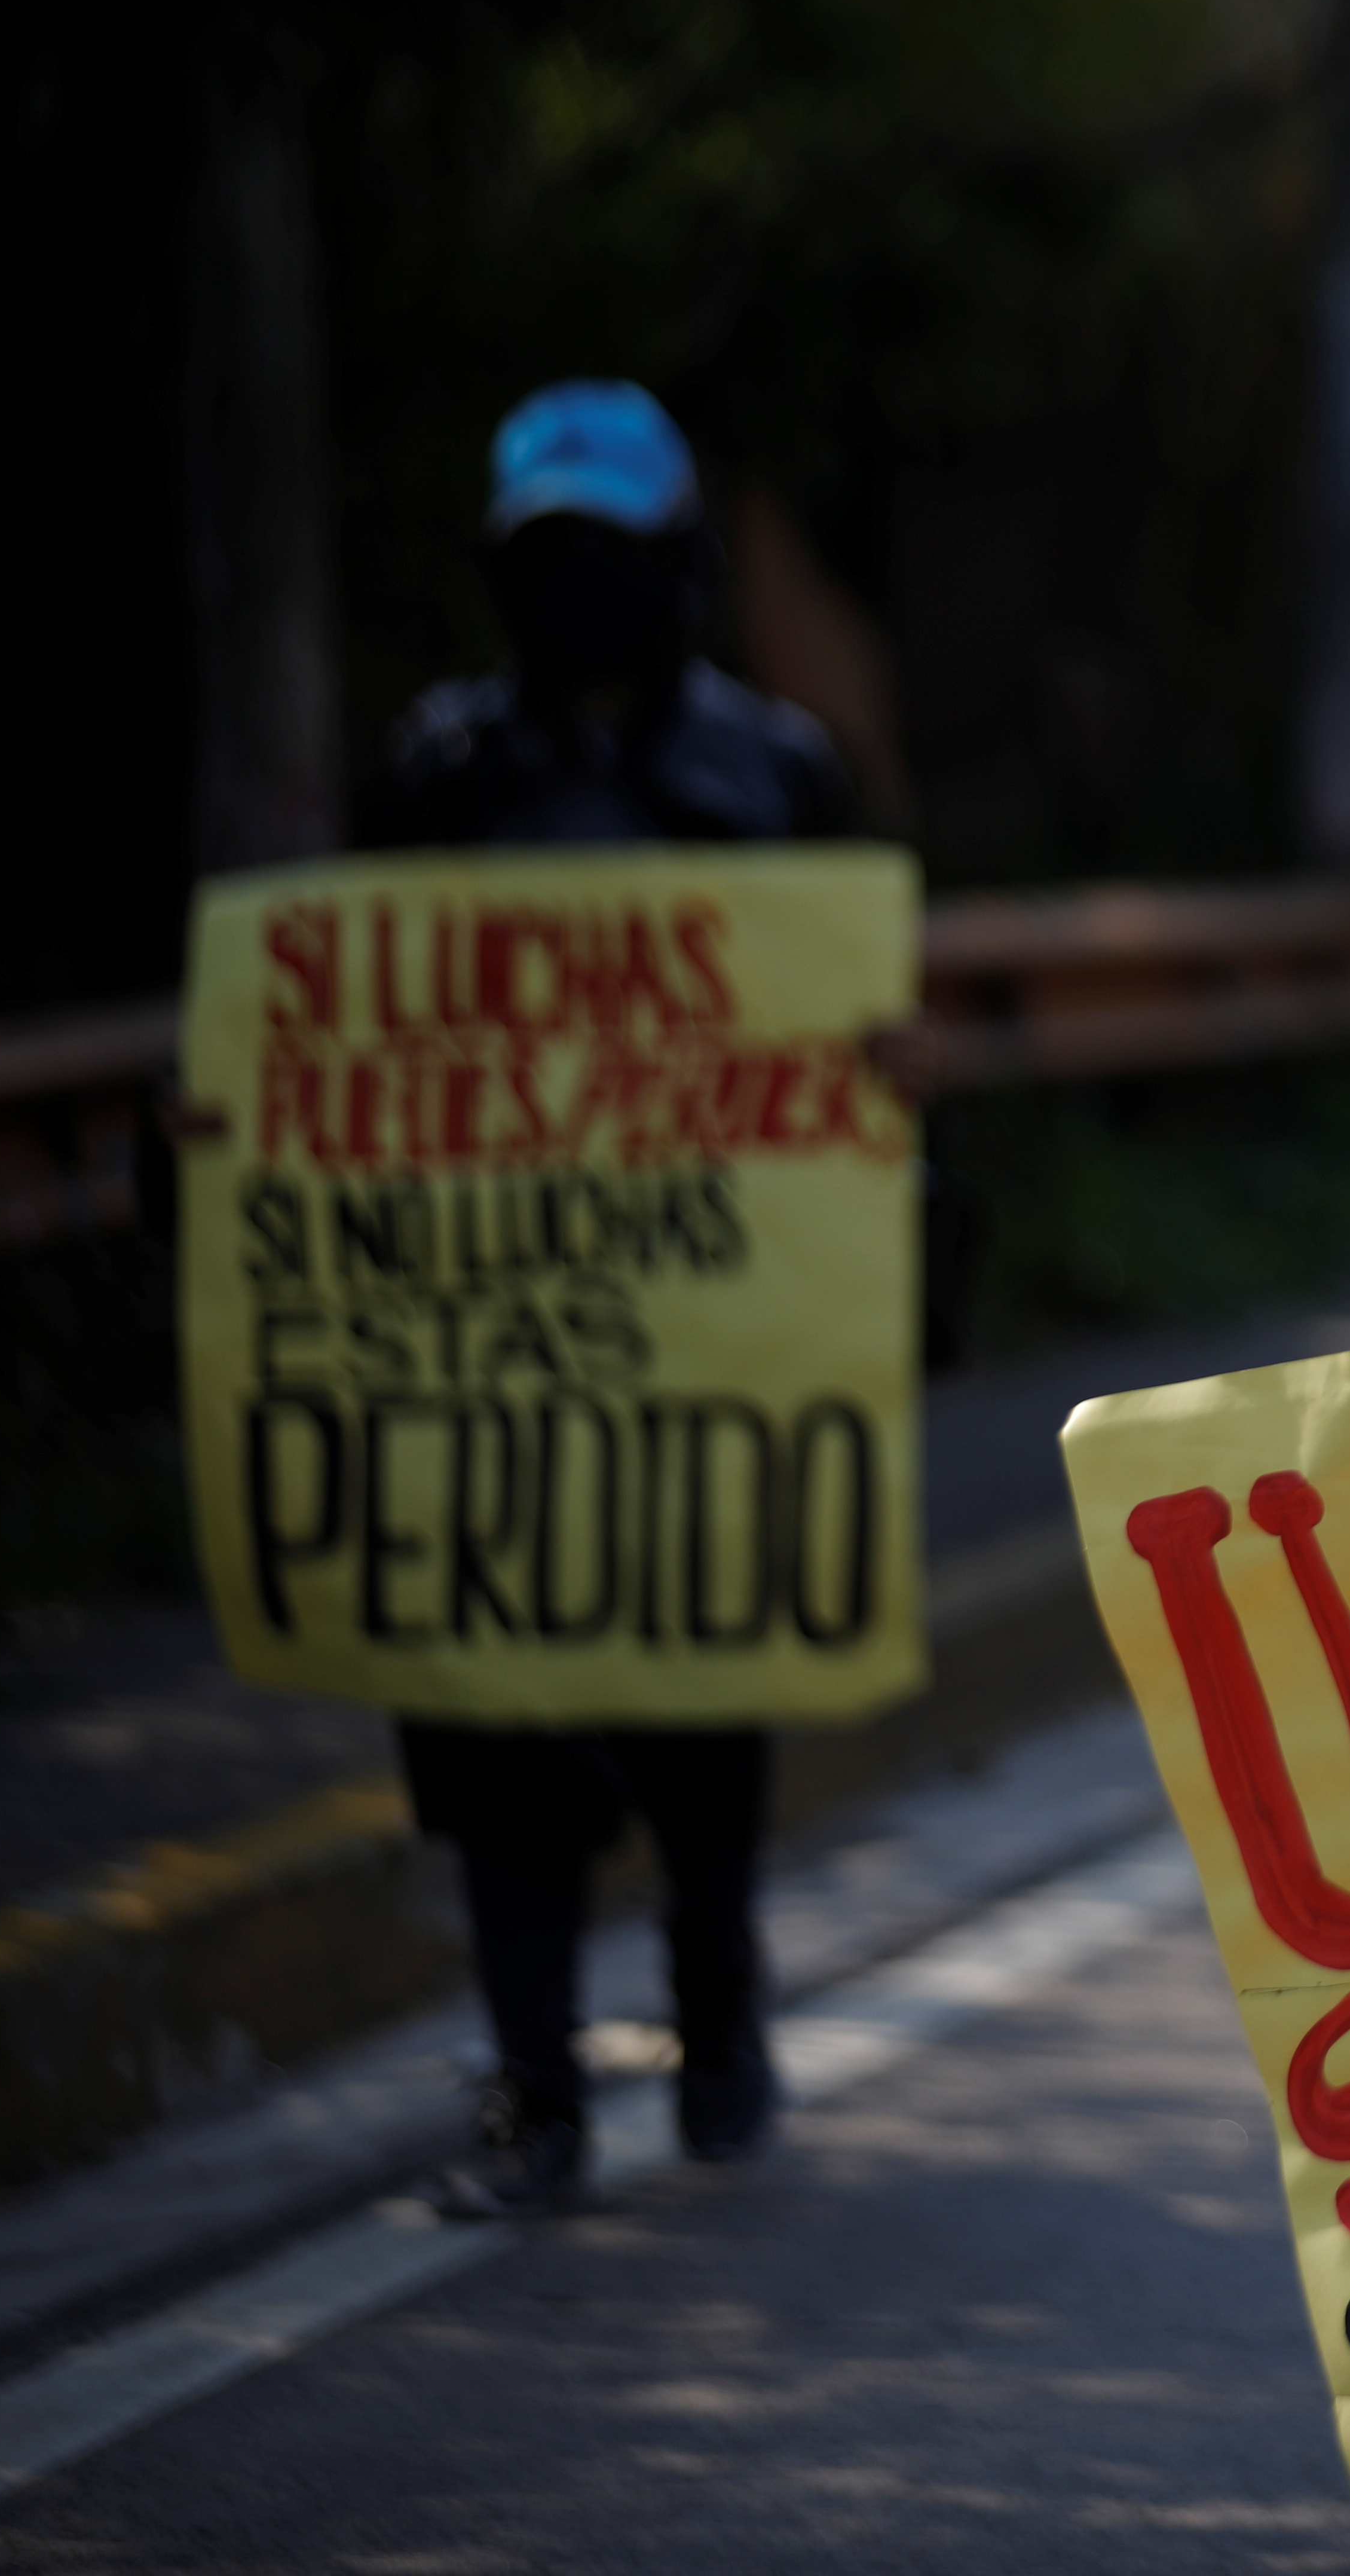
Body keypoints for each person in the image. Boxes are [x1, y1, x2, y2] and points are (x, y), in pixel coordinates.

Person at [359, 378, 860, 2216]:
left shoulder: (777, 777)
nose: (580, 589)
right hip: (495, 1338)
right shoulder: (440, 774)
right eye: (548, 557)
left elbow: (856, 1041)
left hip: (714, 1329)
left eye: (608, 555)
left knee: (693, 1705)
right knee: (495, 1715)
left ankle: (718, 2020)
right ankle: (532, 2090)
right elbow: (350, 1031)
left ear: (676, 569)